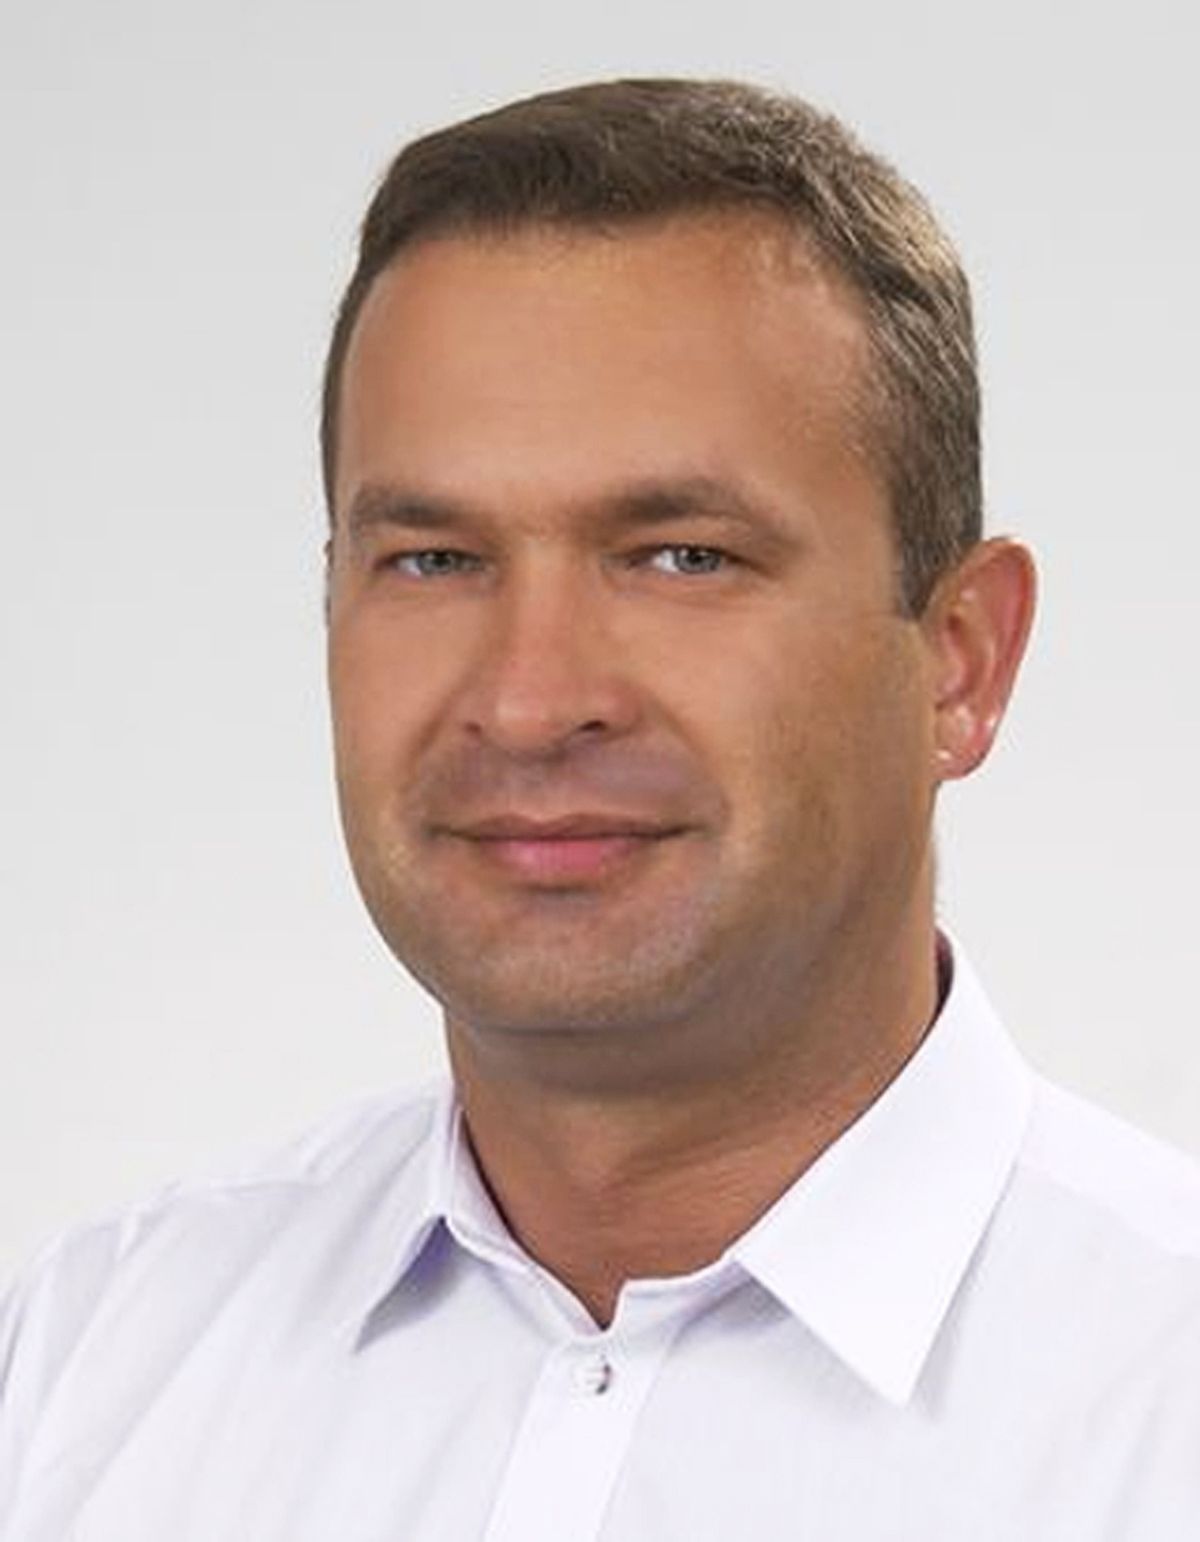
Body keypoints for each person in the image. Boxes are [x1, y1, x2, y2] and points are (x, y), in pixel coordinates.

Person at [2, 76, 1198, 1541]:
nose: (529, 699)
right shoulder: (83, 1369)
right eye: (434, 560)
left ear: (961, 660)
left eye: (681, 556)